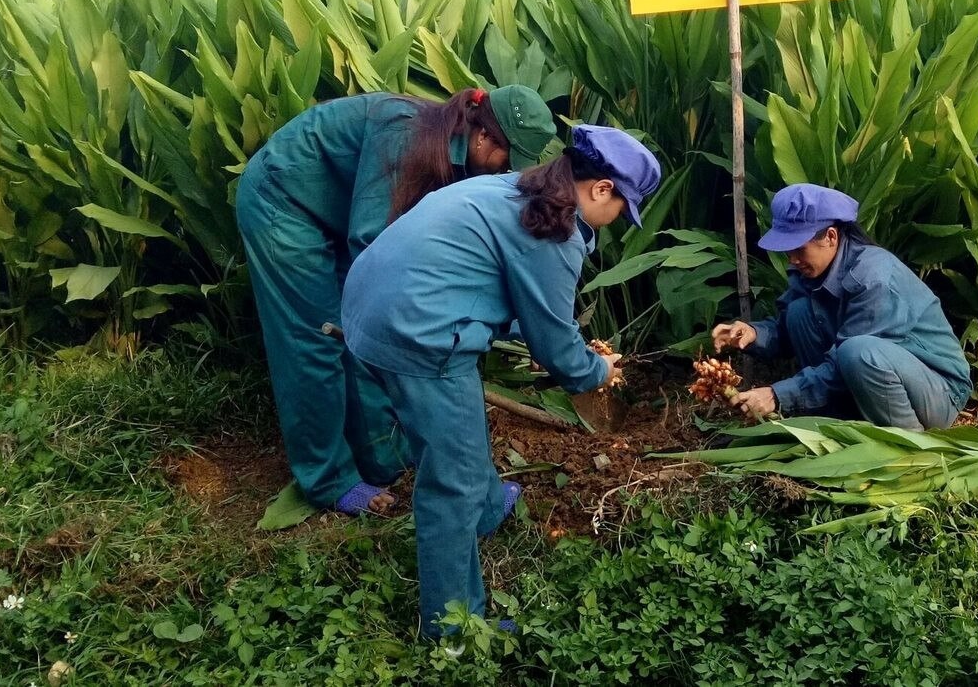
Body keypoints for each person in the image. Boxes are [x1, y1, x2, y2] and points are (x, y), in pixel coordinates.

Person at [342, 125, 662, 636]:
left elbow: (492, 280)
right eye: (624, 207)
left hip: (371, 307)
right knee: (453, 482)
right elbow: (560, 348)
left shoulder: (517, 188)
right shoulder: (555, 232)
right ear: (602, 188)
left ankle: (489, 509)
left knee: (453, 429)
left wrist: (538, 338)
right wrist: (597, 369)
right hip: (416, 333)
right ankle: (452, 631)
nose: (618, 219)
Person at [235, 86, 557, 516]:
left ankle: (380, 454)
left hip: (344, 213)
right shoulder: (407, 134)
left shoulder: (463, 161)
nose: (506, 174)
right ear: (484, 138)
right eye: (507, 159)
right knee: (319, 340)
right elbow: (374, 246)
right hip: (286, 205)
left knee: (367, 333)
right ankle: (329, 479)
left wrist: (527, 327)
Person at [712, 183, 972, 429]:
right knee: (799, 312)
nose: (792, 260)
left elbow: (847, 359)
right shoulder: (811, 271)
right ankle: (836, 419)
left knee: (858, 351)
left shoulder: (873, 277)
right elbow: (786, 331)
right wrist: (753, 333)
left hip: (940, 391)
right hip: (874, 376)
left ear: (831, 237)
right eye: (787, 251)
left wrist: (777, 395)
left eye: (798, 249)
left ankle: (905, 443)